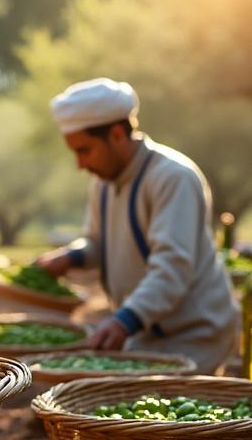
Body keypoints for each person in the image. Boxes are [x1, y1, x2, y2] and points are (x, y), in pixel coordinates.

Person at [34, 78, 239, 373]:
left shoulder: (173, 177)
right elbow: (97, 243)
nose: (79, 164)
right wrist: (70, 257)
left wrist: (124, 321)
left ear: (117, 134)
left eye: (84, 151)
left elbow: (172, 268)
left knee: (166, 416)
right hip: (144, 332)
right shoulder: (102, 182)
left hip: (194, 336)